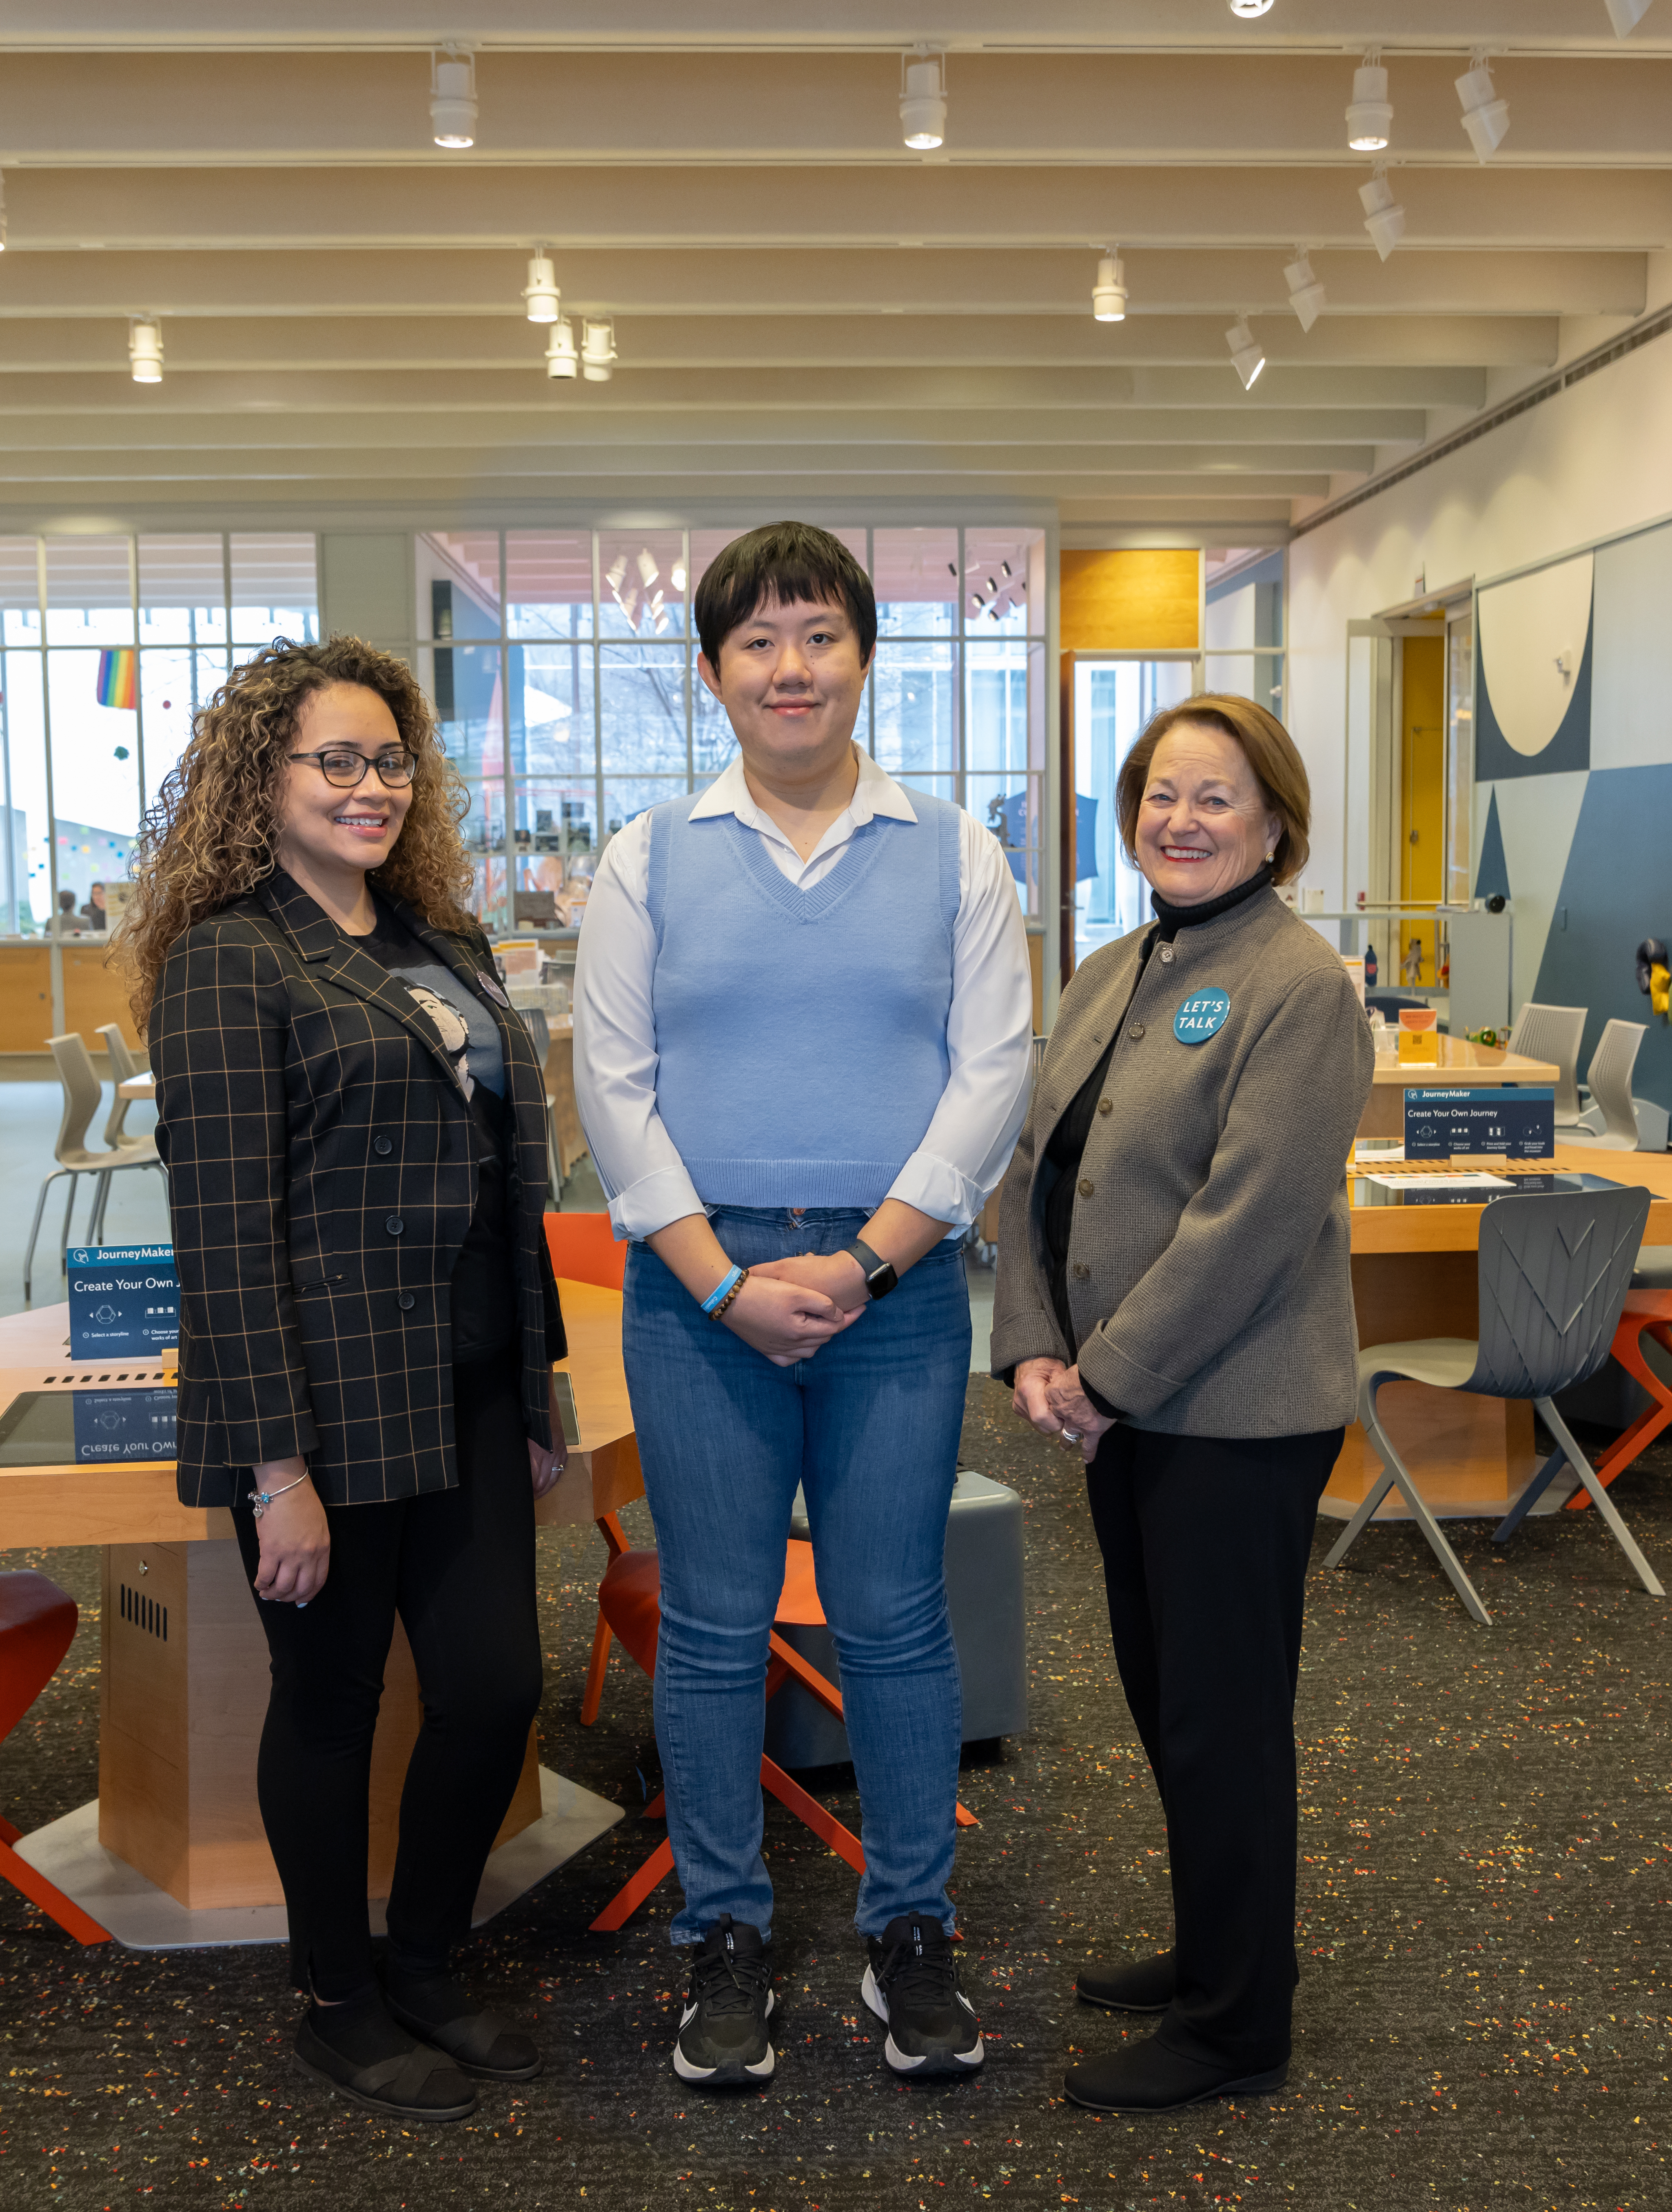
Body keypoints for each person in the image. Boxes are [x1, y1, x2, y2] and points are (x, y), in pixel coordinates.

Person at [574, 521, 1032, 2091]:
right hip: (696, 1291)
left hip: (887, 1291)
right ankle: (724, 1937)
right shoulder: (646, 858)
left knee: (894, 1621)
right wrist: (719, 1280)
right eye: (758, 641)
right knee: (709, 1630)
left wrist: (859, 1266)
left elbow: (990, 1082)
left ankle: (910, 1931)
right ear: (714, 675)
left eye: (820, 634)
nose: (792, 666)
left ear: (861, 659)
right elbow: (614, 1096)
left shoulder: (957, 853)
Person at [122, 635, 569, 2126]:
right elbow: (222, 1239)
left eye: (390, 761)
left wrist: (541, 1396)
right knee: (329, 1704)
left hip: (473, 1387)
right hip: (320, 1406)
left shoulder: (446, 942)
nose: (371, 786)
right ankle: (336, 1993)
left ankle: (429, 1959)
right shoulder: (227, 961)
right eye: (336, 760)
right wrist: (273, 1472)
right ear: (263, 777)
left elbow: (519, 1191)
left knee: (495, 1687)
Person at [985, 694, 1370, 2115]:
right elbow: (1038, 1167)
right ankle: (1214, 1951)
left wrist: (1104, 1377)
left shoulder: (1297, 986)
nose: (1181, 820)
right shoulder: (1111, 967)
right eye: (1159, 794)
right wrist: (1030, 1343)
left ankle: (1236, 2027)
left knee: (1222, 1716)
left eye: (1215, 797)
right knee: (1165, 1698)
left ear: (1273, 821)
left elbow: (1251, 1219)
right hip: (1124, 1410)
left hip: (1236, 1417)